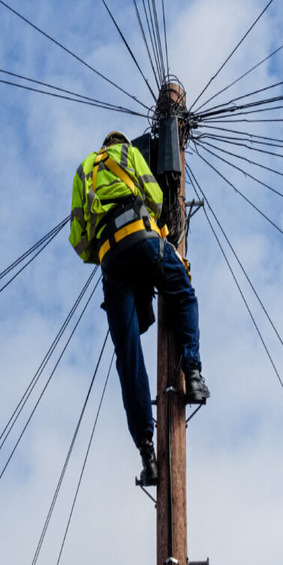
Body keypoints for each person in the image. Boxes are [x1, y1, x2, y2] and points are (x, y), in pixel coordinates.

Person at [69, 131, 210, 486]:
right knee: (183, 292)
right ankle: (192, 374)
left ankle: (146, 452)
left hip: (110, 261)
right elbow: (158, 199)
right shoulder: (130, 154)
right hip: (142, 238)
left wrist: (104, 249)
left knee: (127, 353)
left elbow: (78, 240)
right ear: (120, 142)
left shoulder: (84, 169)